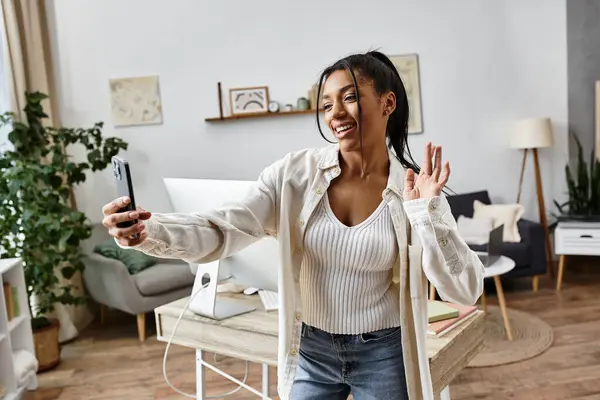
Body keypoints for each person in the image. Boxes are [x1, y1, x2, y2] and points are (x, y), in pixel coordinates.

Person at [102, 51, 484, 400]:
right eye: (327, 104)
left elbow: (465, 289)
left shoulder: (413, 191)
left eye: (349, 97)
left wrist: (427, 214)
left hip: (383, 353)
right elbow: (224, 227)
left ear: (388, 103)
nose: (335, 113)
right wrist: (147, 232)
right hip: (312, 351)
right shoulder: (294, 175)